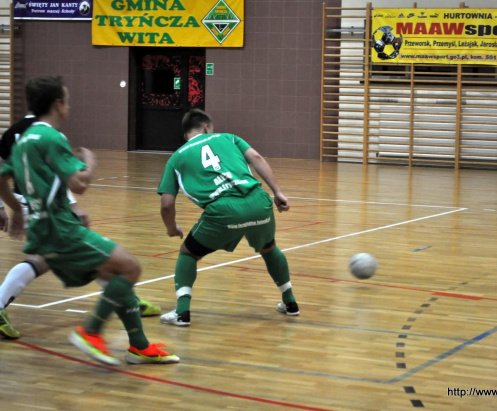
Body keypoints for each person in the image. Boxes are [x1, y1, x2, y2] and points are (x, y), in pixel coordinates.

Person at [0, 75, 178, 365]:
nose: (69, 106)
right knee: (131, 268)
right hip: (61, 229)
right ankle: (91, 331)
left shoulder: (24, 141)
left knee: (112, 275)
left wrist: (16, 209)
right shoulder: (50, 136)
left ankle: (139, 345)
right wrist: (90, 162)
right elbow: (79, 184)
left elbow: (2, 177)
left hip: (42, 230)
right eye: (67, 100)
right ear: (58, 103)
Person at [158, 108, 299, 327]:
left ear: (186, 135)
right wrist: (278, 192)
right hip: (258, 202)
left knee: (188, 254)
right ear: (206, 128)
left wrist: (171, 228)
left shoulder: (176, 158)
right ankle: (290, 302)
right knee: (269, 248)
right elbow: (256, 157)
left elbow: (167, 204)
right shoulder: (229, 138)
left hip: (222, 211)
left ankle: (182, 313)